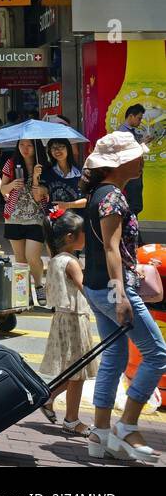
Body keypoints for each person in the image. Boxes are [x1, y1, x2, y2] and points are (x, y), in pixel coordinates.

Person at [81, 131, 166, 463]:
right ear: (120, 163)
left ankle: (99, 433)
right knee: (157, 354)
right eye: (137, 155)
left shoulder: (102, 193)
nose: (142, 160)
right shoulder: (113, 196)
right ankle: (126, 426)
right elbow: (112, 248)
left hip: (96, 286)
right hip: (112, 288)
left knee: (114, 359)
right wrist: (121, 296)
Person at [37, 209, 98, 439]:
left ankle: (49, 397)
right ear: (70, 237)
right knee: (78, 373)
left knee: (73, 370)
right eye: (83, 233)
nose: (86, 237)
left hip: (62, 318)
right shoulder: (71, 262)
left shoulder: (54, 260)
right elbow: (86, 289)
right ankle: (71, 420)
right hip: (75, 318)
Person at [0, 138, 47, 304]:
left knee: (32, 256)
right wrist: (13, 184)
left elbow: (42, 193)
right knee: (20, 258)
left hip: (36, 216)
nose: (25, 149)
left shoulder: (43, 165)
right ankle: (24, 292)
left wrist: (35, 177)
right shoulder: (11, 163)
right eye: (21, 145)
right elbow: (2, 188)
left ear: (36, 147)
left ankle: (39, 286)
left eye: (29, 145)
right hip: (13, 216)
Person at [37, 139, 87, 216]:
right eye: (53, 148)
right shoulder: (46, 173)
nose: (57, 150)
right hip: (55, 219)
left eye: (61, 147)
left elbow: (87, 201)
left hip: (76, 221)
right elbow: (40, 194)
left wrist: (67, 205)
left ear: (68, 148)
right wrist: (35, 178)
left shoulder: (80, 173)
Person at [117, 104, 147, 217]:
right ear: (131, 116)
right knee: (134, 206)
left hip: (133, 172)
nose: (140, 121)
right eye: (139, 118)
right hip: (130, 173)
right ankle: (131, 230)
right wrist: (143, 144)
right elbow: (128, 153)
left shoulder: (129, 131)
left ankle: (132, 230)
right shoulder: (124, 132)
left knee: (135, 205)